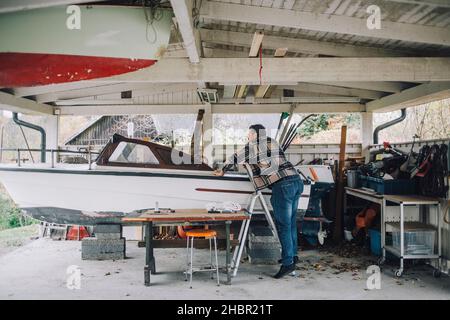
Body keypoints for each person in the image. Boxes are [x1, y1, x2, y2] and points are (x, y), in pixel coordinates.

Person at [213, 124, 303, 279]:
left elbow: (235, 157)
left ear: (254, 134)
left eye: (249, 134)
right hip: (296, 181)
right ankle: (293, 257)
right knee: (291, 224)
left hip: (283, 186)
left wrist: (223, 169)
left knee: (283, 226)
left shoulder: (253, 145)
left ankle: (288, 263)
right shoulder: (272, 142)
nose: (248, 137)